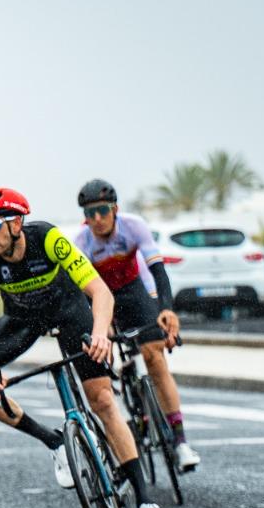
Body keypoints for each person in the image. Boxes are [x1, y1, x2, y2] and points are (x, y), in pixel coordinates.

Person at [0, 187, 165, 508]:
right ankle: (54, 442)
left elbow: (100, 292)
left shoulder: (48, 238)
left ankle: (144, 500)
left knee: (102, 400)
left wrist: (99, 334)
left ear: (16, 223)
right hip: (23, 320)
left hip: (70, 314)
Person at [71, 179, 201, 472]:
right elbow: (82, 295)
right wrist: (99, 330)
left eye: (103, 211)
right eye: (90, 214)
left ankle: (180, 441)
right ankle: (125, 389)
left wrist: (166, 310)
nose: (97, 219)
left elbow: (157, 271)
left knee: (155, 357)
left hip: (134, 290)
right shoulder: (82, 243)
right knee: (102, 343)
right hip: (103, 297)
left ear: (115, 209)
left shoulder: (133, 227)